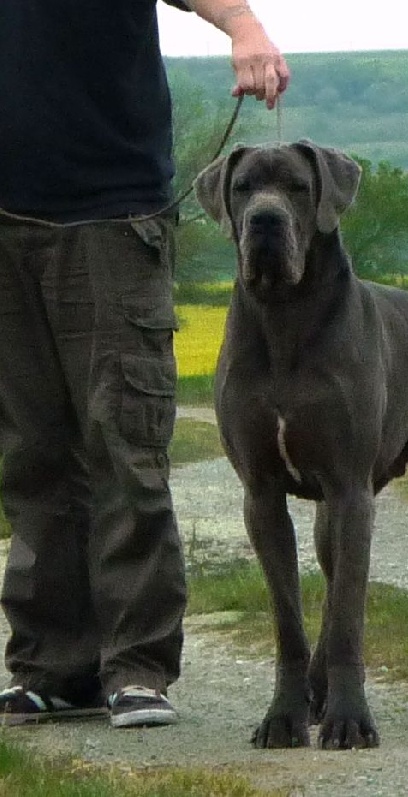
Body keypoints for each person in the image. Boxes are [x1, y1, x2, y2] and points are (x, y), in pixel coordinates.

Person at [0, 0, 289, 728]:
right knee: (29, 454)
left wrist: (246, 29)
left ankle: (136, 667)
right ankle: (53, 667)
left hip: (110, 210)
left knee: (124, 443)